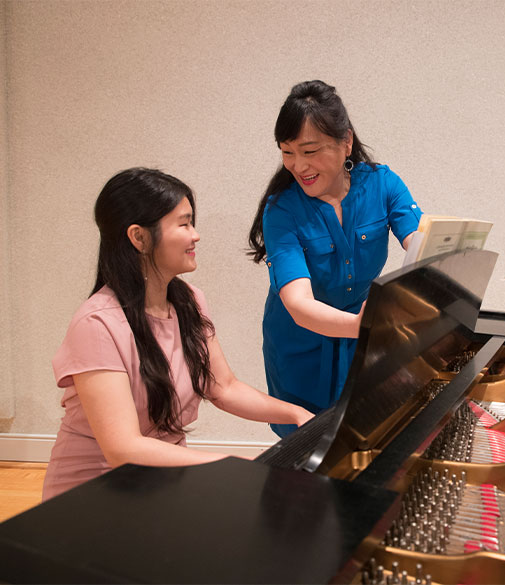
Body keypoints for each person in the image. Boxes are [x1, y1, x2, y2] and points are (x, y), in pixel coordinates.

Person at [43, 168, 312, 501]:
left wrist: (296, 415)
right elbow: (122, 448)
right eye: (184, 224)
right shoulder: (97, 324)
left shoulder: (189, 301)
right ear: (139, 238)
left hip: (159, 486)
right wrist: (234, 463)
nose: (195, 235)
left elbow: (223, 387)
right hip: (93, 496)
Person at [248, 80, 423, 438]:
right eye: (287, 152)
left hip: (358, 340)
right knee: (303, 446)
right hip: (299, 342)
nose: (298, 166)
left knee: (359, 437)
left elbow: (421, 245)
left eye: (310, 151)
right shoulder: (281, 209)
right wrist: (367, 325)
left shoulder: (382, 185)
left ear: (346, 142)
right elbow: (298, 304)